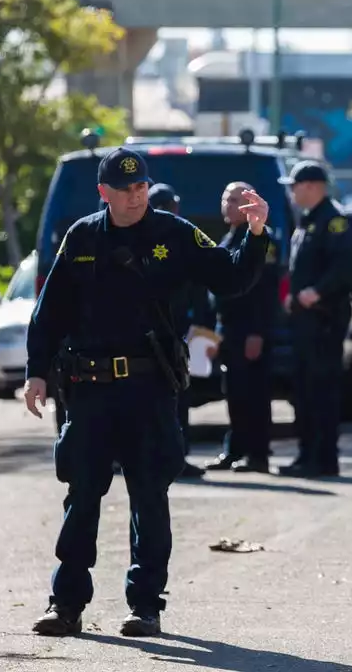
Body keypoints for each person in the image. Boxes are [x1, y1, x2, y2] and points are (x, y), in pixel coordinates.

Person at [24, 148, 270, 638]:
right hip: (90, 390)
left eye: (141, 188)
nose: (135, 197)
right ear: (104, 193)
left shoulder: (175, 235)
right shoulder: (82, 236)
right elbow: (48, 313)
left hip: (149, 389)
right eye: (125, 189)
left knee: (149, 498)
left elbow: (233, 277)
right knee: (82, 497)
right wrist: (37, 373)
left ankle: (145, 606)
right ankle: (66, 603)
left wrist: (255, 232)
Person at [279, 160, 352, 478]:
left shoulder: (335, 221)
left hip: (324, 320)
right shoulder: (309, 220)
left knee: (321, 390)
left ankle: (323, 458)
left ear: (312, 186)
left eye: (295, 185)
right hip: (305, 320)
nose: (292, 191)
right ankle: (306, 454)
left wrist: (316, 292)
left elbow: (345, 272)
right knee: (304, 390)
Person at [205, 181, 280, 474]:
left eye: (236, 199)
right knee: (235, 393)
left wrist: (258, 332)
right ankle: (235, 450)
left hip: (250, 330)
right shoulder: (230, 237)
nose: (229, 204)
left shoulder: (261, 239)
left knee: (255, 395)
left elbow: (267, 291)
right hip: (230, 330)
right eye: (226, 199)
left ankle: (258, 455)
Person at [147, 183, 209, 480]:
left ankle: (170, 458)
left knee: (170, 400)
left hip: (165, 337)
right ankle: (171, 458)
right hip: (166, 336)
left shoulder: (142, 237)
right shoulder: (179, 237)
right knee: (171, 401)